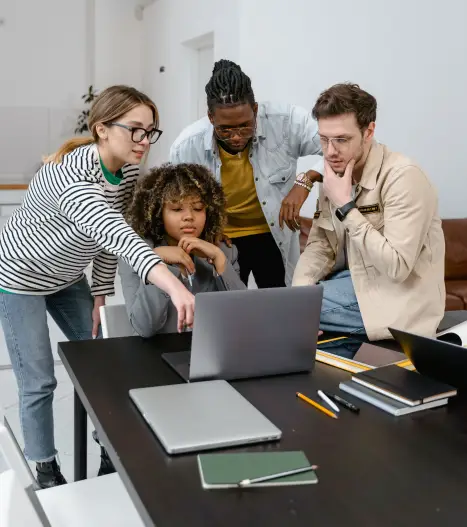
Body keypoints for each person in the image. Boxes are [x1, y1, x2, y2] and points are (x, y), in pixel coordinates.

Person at [0, 85, 194, 488]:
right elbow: (116, 233)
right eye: (136, 130)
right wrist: (175, 288)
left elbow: (105, 244)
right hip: (20, 279)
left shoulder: (126, 172)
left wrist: (101, 292)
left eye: (150, 131)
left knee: (105, 362)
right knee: (38, 380)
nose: (144, 141)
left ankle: (109, 450)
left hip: (68, 277)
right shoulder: (71, 177)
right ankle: (46, 469)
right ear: (102, 129)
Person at [293, 83, 445, 349]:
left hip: (398, 297)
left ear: (369, 132)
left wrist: (345, 205)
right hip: (354, 283)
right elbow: (320, 246)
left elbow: (397, 267)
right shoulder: (335, 172)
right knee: (286, 308)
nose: (329, 152)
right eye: (324, 139)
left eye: (341, 139)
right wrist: (299, 297)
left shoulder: (404, 176)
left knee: (277, 316)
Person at [170, 59, 323, 288]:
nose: (236, 136)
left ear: (255, 109)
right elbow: (176, 201)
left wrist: (305, 181)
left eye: (244, 125)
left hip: (273, 234)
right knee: (229, 309)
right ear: (211, 118)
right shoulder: (186, 146)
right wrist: (205, 228)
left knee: (279, 305)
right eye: (224, 129)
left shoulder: (287, 121)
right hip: (224, 239)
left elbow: (339, 149)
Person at [120, 163, 246, 336]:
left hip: (211, 354)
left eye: (198, 208)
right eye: (177, 209)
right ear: (157, 212)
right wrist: (161, 263)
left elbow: (244, 317)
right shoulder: (137, 252)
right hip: (155, 356)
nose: (189, 217)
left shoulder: (224, 250)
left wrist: (219, 259)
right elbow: (144, 328)